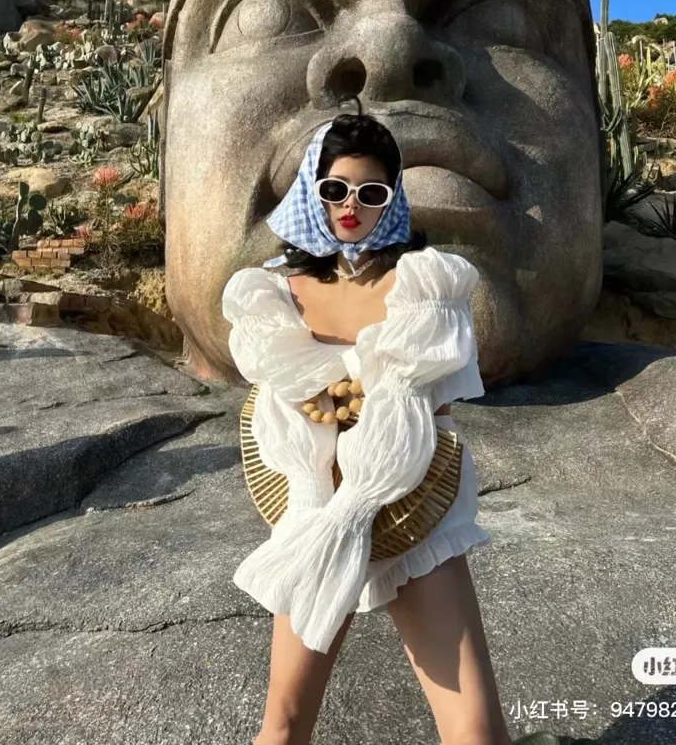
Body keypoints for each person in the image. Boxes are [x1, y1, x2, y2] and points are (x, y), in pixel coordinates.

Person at [222, 97, 566, 745]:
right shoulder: (271, 294)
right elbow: (283, 406)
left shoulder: (424, 284)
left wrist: (355, 411)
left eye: (371, 191)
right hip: (313, 518)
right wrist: (351, 403)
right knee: (284, 725)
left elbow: (434, 403)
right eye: (335, 189)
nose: (351, 204)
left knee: (477, 732)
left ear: (392, 199)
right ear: (313, 192)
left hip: (413, 512)